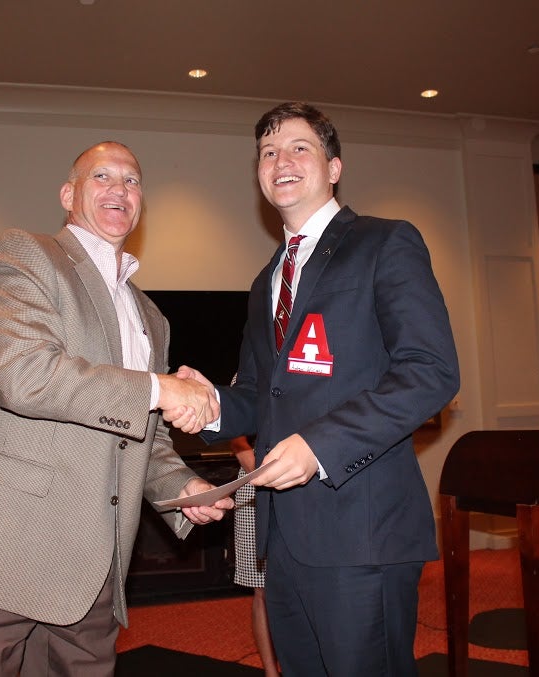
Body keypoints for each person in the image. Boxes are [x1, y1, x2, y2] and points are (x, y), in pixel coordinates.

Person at [0, 140, 232, 677]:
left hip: (95, 562)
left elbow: (142, 434)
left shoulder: (151, 317)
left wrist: (181, 487)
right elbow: (26, 375)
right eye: (102, 177)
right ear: (69, 194)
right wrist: (161, 389)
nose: (119, 189)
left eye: (131, 181)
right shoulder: (25, 255)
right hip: (2, 544)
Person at [187, 102, 460, 675]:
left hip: (363, 531)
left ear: (334, 167)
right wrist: (207, 402)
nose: (280, 160)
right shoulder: (268, 279)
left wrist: (320, 446)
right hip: (284, 538)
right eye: (267, 152)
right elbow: (260, 394)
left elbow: (430, 370)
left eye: (298, 148)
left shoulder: (386, 243)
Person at [229, 435, 280, 677]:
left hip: (301, 479)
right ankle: (271, 672)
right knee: (261, 589)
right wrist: (261, 475)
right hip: (253, 487)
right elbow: (236, 439)